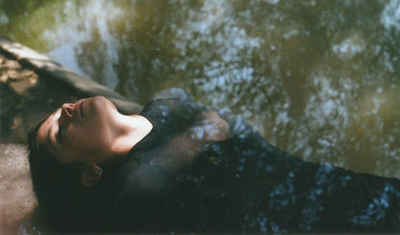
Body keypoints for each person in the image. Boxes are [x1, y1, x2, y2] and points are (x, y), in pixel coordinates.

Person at [28, 89, 400, 233]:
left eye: (57, 112)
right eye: (59, 133)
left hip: (330, 186)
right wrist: (192, 140)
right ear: (90, 173)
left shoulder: (163, 104)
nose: (64, 109)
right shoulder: (140, 187)